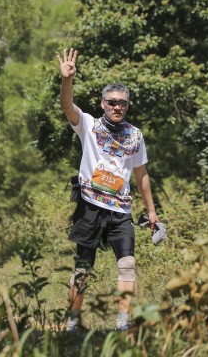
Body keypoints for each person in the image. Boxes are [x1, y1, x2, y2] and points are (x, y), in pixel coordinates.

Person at [57, 47, 159, 331]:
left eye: (122, 103)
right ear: (103, 104)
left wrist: (151, 211)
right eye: (112, 102)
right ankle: (73, 323)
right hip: (90, 206)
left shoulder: (135, 135)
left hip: (120, 211)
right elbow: (67, 106)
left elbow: (141, 174)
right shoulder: (88, 125)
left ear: (127, 106)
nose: (117, 107)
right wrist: (67, 80)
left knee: (127, 265)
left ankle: (122, 323)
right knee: (83, 267)